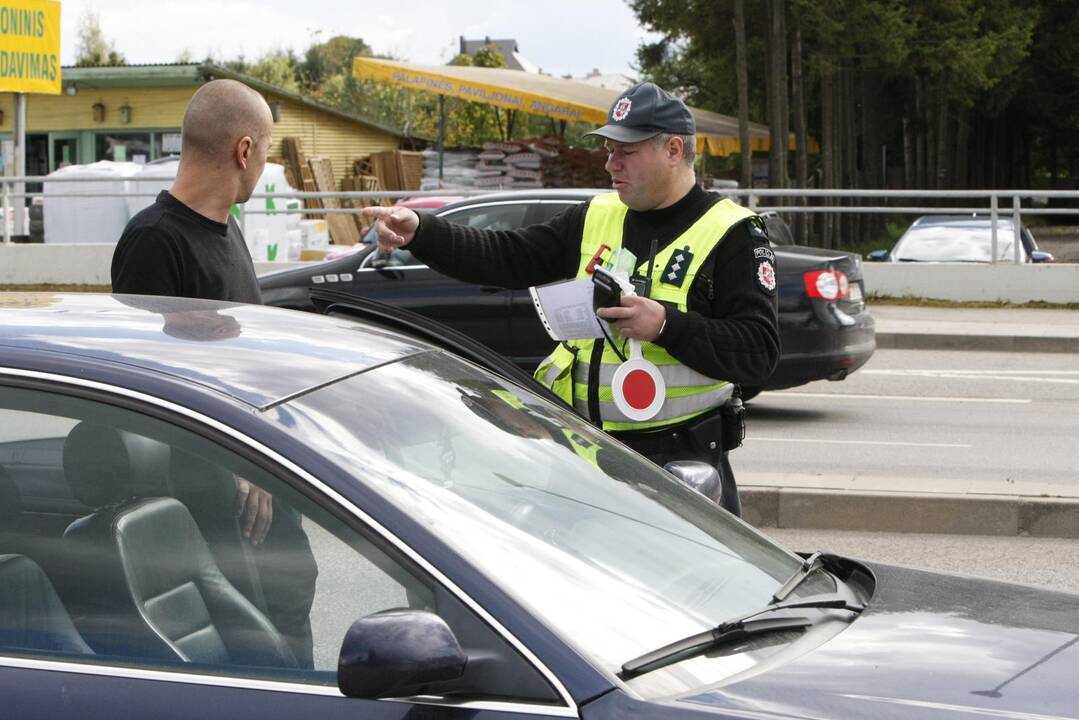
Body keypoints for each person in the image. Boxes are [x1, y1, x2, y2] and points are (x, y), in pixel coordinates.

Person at [363, 82, 779, 516]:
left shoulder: (733, 234)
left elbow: (757, 354)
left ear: (673, 150)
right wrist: (422, 231)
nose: (609, 163)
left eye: (626, 151)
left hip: (681, 473)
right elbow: (507, 256)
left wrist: (666, 326)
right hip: (588, 464)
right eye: (607, 149)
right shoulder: (596, 215)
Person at [110, 81, 318, 667]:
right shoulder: (155, 240)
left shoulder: (227, 230)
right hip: (214, 495)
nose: (267, 163)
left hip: (260, 474)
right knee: (258, 648)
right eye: (270, 149)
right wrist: (236, 462)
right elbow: (148, 379)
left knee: (290, 605)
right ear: (244, 150)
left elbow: (237, 361)